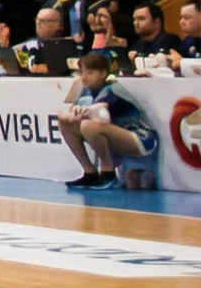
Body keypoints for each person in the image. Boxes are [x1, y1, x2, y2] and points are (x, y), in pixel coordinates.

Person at [54, 50, 155, 189]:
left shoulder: (112, 88)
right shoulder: (86, 91)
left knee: (88, 125)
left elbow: (102, 116)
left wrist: (81, 113)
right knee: (65, 125)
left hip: (140, 138)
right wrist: (71, 116)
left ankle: (108, 172)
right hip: (115, 134)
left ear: (102, 74)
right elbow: (64, 114)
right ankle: (90, 173)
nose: (84, 77)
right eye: (81, 72)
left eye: (90, 72)